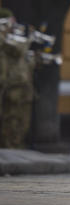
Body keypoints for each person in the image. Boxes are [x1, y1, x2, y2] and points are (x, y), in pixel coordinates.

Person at [0, 10, 34, 149]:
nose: (13, 26)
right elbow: (18, 50)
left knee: (21, 122)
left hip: (21, 88)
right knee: (11, 121)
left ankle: (16, 147)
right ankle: (10, 148)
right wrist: (29, 38)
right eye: (10, 22)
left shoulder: (11, 39)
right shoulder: (5, 42)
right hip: (11, 88)